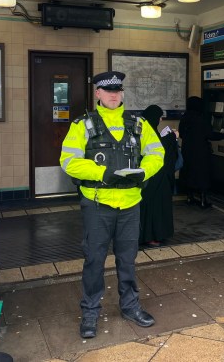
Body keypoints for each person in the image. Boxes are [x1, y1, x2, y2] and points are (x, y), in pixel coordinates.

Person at [60, 71, 164, 339]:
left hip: (130, 203)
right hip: (98, 204)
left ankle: (130, 306)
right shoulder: (83, 125)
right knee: (94, 261)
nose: (114, 95)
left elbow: (157, 152)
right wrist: (101, 172)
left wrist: (144, 170)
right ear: (97, 93)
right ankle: (91, 312)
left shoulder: (138, 123)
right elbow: (68, 160)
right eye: (108, 91)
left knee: (127, 260)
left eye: (118, 90)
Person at [139, 105, 177, 247]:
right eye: (160, 116)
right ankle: (152, 235)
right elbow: (159, 148)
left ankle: (148, 235)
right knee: (155, 207)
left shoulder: (143, 127)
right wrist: (172, 136)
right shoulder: (148, 130)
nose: (161, 119)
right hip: (155, 178)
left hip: (149, 178)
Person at [178, 96, 213, 208]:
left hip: (187, 150)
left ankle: (190, 197)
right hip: (201, 151)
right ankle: (203, 200)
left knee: (188, 172)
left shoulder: (184, 118)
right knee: (202, 174)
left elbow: (182, 134)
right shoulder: (202, 118)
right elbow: (209, 134)